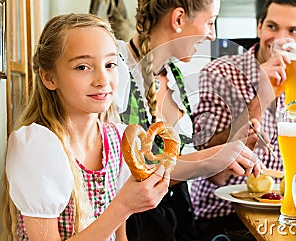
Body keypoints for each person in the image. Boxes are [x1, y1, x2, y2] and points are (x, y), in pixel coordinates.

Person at [113, 0, 264, 240]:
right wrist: (209, 159)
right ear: (179, 18)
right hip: (133, 227)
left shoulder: (175, 78)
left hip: (178, 223)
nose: (212, 34)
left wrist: (223, 157)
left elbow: (178, 168)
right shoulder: (116, 70)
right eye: (210, 22)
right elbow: (125, 173)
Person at [0, 13, 170, 240]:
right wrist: (124, 206)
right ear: (50, 78)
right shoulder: (38, 148)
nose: (103, 79)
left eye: (110, 64)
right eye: (83, 67)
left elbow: (120, 237)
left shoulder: (118, 139)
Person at [190, 0, 296, 239]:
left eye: (293, 31)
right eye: (272, 27)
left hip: (292, 213)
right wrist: (261, 98)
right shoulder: (221, 73)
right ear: (259, 28)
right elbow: (211, 172)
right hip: (226, 218)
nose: (280, 38)